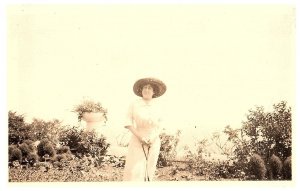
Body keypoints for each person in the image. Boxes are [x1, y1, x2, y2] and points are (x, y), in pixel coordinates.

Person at [123, 77, 167, 181]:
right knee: (135, 170)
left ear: (153, 92)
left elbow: (161, 124)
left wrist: (153, 137)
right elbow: (128, 122)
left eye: (149, 88)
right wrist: (140, 137)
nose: (146, 90)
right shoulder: (134, 104)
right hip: (137, 139)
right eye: (144, 88)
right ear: (141, 90)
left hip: (154, 140)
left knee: (149, 170)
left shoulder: (158, 106)